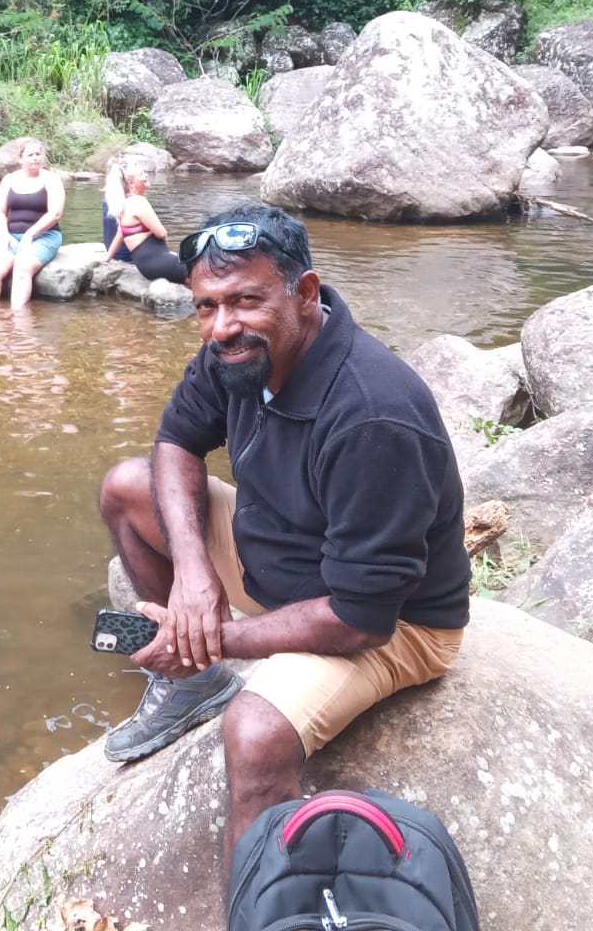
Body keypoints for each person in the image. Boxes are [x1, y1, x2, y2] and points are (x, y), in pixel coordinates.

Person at [95, 201, 470, 867]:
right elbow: (176, 441)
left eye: (246, 300)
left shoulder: (374, 416)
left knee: (254, 733)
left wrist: (205, 636)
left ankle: (265, 899)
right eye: (206, 306)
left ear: (305, 293)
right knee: (128, 487)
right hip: (280, 560)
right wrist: (193, 574)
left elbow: (360, 620)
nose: (222, 326)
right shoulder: (234, 354)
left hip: (395, 622)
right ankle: (192, 684)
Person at [0, 138, 65, 310]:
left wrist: (30, 234)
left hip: (44, 236)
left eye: (38, 154)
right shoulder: (9, 180)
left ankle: (19, 319)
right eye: (30, 155)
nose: (35, 158)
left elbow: (55, 214)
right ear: (20, 159)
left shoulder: (52, 180)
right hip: (10, 235)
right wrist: (4, 234)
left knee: (22, 268)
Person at [102, 160, 185, 283]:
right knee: (203, 268)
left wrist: (107, 258)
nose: (146, 175)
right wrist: (167, 253)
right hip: (159, 263)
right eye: (141, 174)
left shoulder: (123, 204)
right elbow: (162, 233)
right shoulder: (139, 202)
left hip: (146, 267)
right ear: (131, 183)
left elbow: (120, 233)